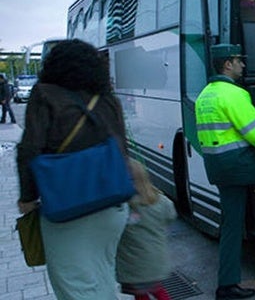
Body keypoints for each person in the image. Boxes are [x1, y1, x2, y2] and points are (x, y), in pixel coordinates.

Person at [16, 39, 129, 300]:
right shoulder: (107, 98)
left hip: (68, 205)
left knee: (75, 286)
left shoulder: (44, 93)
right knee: (102, 279)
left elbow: (29, 149)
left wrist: (27, 197)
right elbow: (122, 146)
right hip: (113, 204)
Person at [195, 43, 255, 300]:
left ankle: (226, 285)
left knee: (231, 225)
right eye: (239, 61)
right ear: (227, 64)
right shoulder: (233, 94)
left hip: (217, 168)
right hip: (238, 165)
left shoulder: (205, 95)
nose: (243, 65)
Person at [116, 159, 177, 300]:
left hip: (134, 267)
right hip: (156, 262)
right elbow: (171, 215)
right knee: (158, 291)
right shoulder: (161, 200)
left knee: (141, 295)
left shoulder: (123, 207)